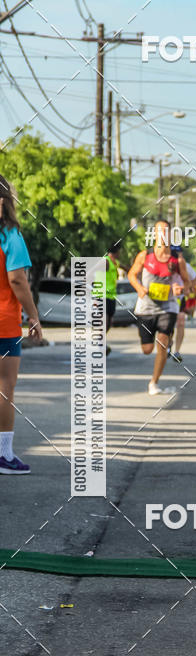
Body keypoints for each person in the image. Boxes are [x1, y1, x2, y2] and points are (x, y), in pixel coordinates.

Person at [0, 176, 43, 474]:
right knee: (5, 388)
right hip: (3, 323)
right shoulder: (10, 236)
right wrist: (34, 315)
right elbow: (17, 279)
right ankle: (4, 455)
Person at [128, 220, 189, 395]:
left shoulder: (177, 259)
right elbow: (132, 274)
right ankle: (159, 345)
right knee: (147, 350)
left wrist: (181, 289)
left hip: (167, 308)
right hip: (145, 309)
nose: (162, 234)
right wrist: (139, 288)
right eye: (159, 231)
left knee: (162, 343)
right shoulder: (144, 255)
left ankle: (153, 383)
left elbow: (189, 283)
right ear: (154, 234)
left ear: (170, 235)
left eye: (165, 231)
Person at [92, 239, 120, 356]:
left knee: (110, 323)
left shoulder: (115, 262)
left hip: (111, 296)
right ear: (117, 251)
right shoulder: (105, 261)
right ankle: (100, 343)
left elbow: (123, 268)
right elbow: (91, 272)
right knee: (105, 320)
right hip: (101, 295)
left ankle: (100, 340)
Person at [171, 253, 196, 364]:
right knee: (169, 324)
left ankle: (177, 351)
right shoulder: (164, 262)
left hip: (179, 299)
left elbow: (194, 280)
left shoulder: (187, 266)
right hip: (167, 298)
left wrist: (186, 288)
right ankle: (167, 344)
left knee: (180, 321)